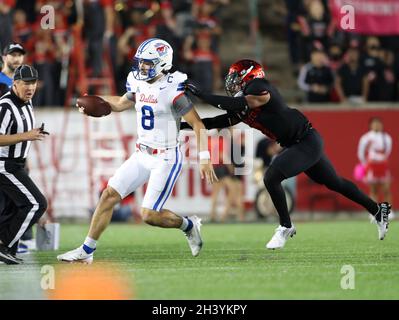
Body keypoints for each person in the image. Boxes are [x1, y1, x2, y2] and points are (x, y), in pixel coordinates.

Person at [182, 59, 391, 249]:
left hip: (306, 140)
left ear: (250, 75)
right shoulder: (243, 101)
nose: (233, 82)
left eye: (236, 77)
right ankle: (377, 210)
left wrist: (202, 95)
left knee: (271, 176)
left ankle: (286, 226)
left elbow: (241, 104)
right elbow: (215, 122)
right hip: (298, 143)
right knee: (335, 182)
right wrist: (181, 125)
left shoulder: (258, 87)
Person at [57, 38, 218, 264]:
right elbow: (123, 103)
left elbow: (198, 124)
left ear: (163, 63)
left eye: (148, 62)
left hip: (166, 156)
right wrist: (96, 102)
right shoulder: (137, 81)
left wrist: (204, 157)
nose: (141, 67)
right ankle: (86, 250)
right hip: (142, 153)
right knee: (108, 196)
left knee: (149, 215)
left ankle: (189, 225)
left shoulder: (173, 90)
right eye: (141, 62)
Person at [0, 65, 48, 264]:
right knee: (37, 203)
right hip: (4, 164)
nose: (30, 87)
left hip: (17, 164)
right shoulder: (5, 105)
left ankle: (6, 246)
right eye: (26, 83)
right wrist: (27, 136)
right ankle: (5, 246)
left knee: (14, 208)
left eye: (33, 83)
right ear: (15, 83)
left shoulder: (27, 103)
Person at [0, 43, 36, 254]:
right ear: (3, 57)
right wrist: (26, 136)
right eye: (12, 55)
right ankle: (8, 243)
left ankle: (11, 242)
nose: (16, 59)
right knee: (26, 202)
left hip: (15, 158)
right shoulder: (6, 97)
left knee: (13, 203)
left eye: (20, 55)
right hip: (3, 159)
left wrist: (25, 157)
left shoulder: (25, 95)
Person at [357, 117, 394, 219]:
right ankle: (374, 211)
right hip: (371, 165)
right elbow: (361, 152)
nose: (377, 125)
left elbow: (388, 151)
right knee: (373, 190)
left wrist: (382, 159)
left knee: (386, 189)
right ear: (371, 125)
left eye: (379, 124)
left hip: (382, 164)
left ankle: (388, 212)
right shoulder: (366, 138)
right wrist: (365, 164)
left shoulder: (386, 137)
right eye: (375, 124)